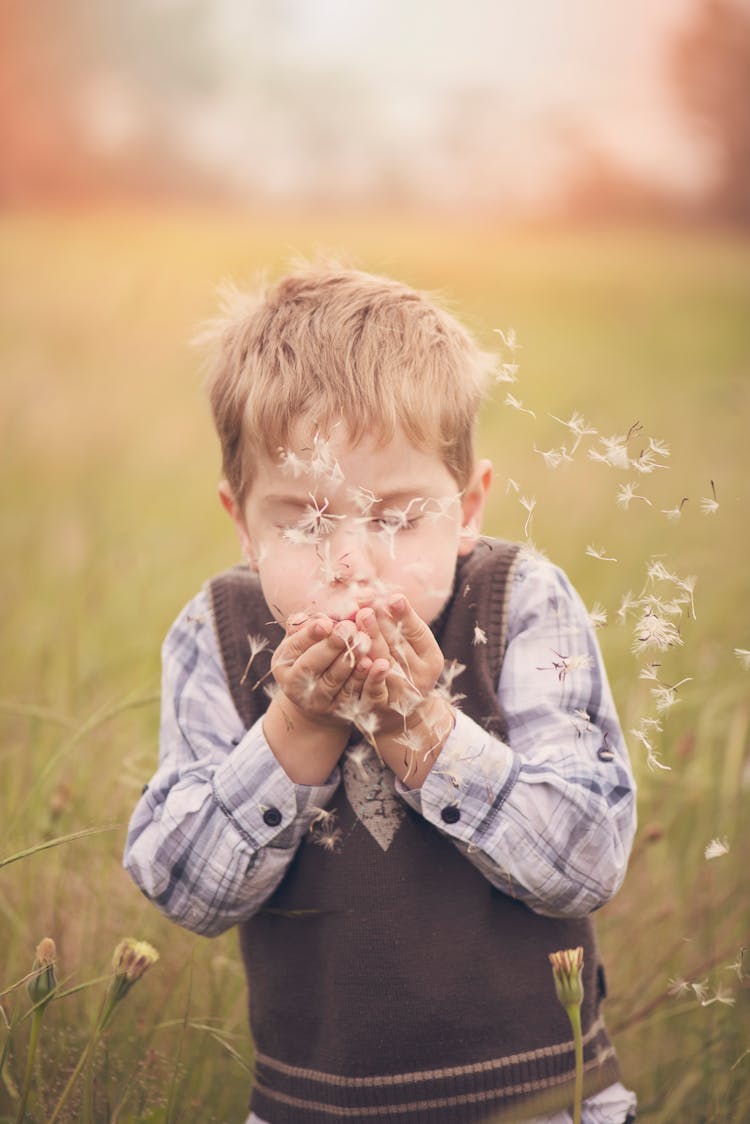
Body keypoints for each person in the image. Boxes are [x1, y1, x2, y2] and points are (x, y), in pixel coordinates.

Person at [124, 262, 637, 1124]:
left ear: (468, 506)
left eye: (399, 516)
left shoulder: (523, 603)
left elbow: (586, 861)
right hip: (309, 1108)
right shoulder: (216, 629)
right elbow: (184, 891)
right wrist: (295, 726)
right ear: (242, 521)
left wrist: (423, 730)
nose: (352, 560)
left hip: (545, 1102)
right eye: (305, 520)